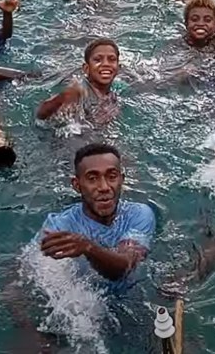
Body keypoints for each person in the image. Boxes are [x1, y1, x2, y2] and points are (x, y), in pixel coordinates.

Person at [37, 143, 155, 293]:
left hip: (134, 295)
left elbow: (125, 269)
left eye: (112, 176)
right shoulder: (59, 226)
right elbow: (28, 279)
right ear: (77, 185)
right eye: (92, 179)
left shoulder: (139, 214)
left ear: (121, 179)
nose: (104, 186)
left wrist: (88, 247)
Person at [37, 38, 123, 125]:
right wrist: (62, 98)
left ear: (118, 68)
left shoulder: (111, 94)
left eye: (111, 59)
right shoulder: (80, 90)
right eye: (97, 60)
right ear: (86, 68)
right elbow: (41, 114)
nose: (106, 64)